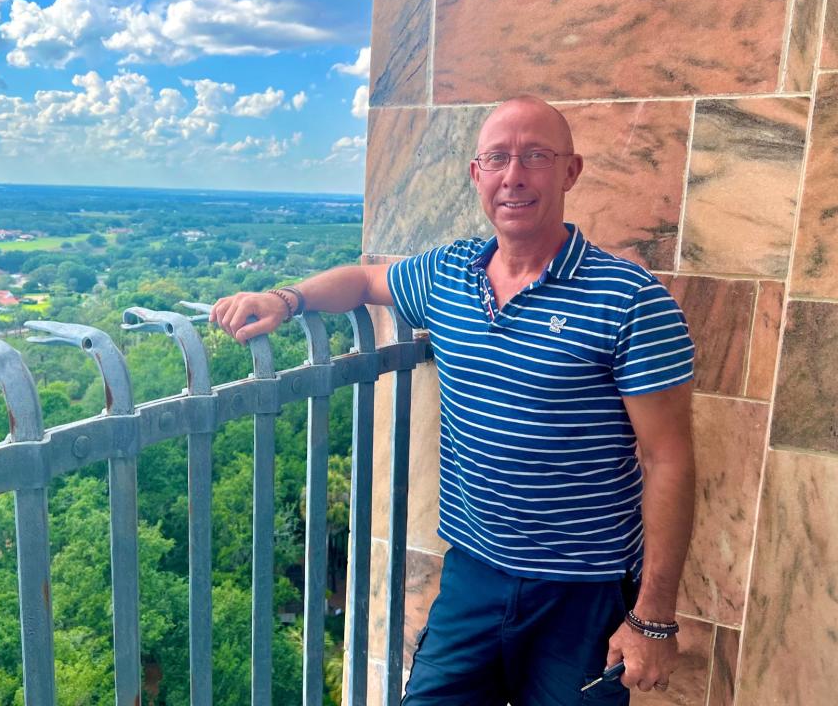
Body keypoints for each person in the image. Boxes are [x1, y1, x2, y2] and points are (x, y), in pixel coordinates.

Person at [210, 95, 696, 706]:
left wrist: (653, 617)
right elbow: (365, 280)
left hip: (582, 594)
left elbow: (668, 460)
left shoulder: (630, 299)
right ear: (476, 175)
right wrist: (285, 299)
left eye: (536, 157)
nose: (513, 176)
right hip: (472, 573)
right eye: (496, 159)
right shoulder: (449, 274)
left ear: (570, 171)